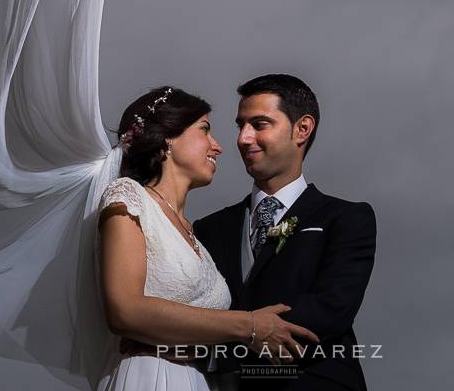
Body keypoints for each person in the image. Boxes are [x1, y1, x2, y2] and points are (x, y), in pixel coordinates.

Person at [97, 86, 318, 391]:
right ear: (167, 138)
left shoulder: (195, 235)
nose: (218, 146)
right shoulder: (129, 197)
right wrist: (249, 326)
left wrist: (196, 346)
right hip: (151, 378)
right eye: (204, 130)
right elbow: (125, 311)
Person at [194, 74, 377, 391]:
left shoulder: (346, 218)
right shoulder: (209, 228)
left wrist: (236, 335)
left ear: (302, 129)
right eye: (241, 125)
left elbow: (330, 310)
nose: (243, 138)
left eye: (260, 124)